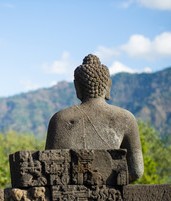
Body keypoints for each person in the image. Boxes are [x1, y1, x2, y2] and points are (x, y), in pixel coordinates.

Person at [45, 54, 143, 182]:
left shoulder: (60, 119)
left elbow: (48, 169)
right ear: (108, 85)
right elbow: (136, 171)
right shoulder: (126, 118)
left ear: (77, 87)